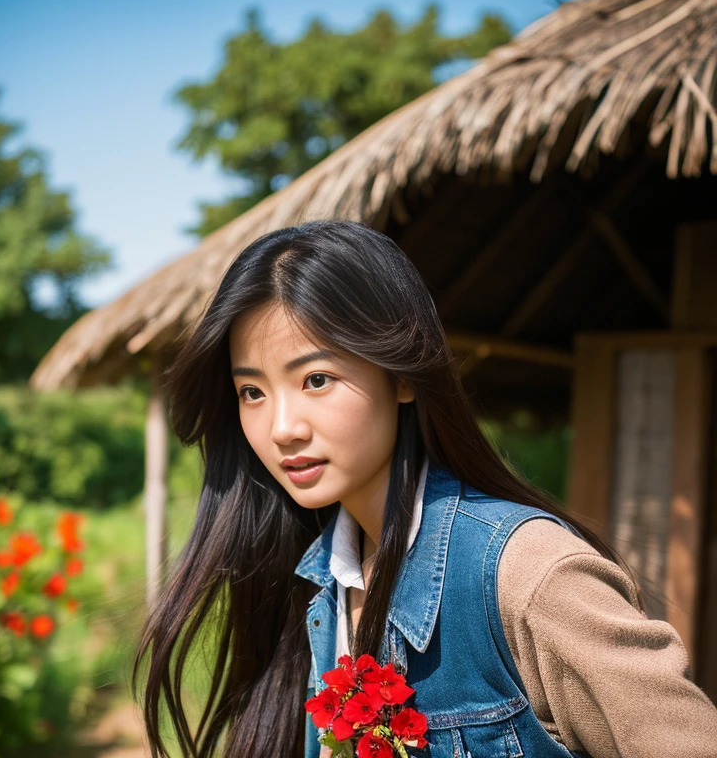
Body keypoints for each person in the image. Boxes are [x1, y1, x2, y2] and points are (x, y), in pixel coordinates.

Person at [132, 220, 717, 758]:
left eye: (316, 379)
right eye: (252, 392)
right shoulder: (317, 585)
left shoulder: (528, 572)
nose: (282, 427)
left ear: (402, 376)